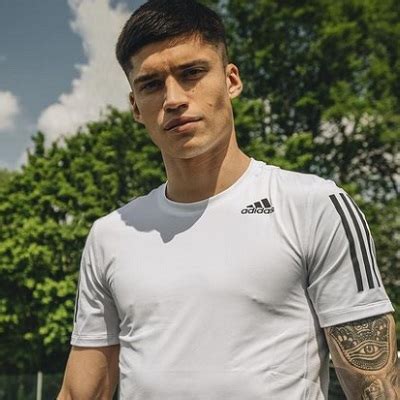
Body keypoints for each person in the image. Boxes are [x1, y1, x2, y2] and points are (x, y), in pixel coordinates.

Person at [57, 0, 399, 399]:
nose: (173, 98)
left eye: (192, 73)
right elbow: (80, 393)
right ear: (135, 106)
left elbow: (376, 388)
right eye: (151, 84)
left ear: (231, 80)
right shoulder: (109, 235)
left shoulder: (315, 205)